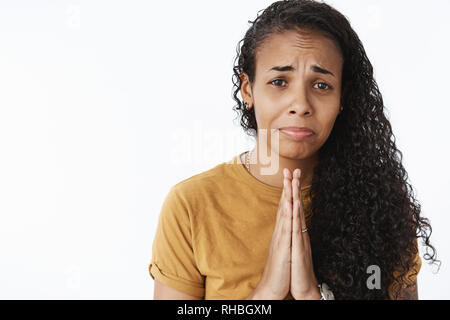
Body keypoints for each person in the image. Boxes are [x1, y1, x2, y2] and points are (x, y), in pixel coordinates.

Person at [149, 0, 440, 300]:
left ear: (343, 95)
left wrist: (310, 295)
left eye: (321, 85)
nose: (300, 104)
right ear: (247, 89)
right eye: (279, 81)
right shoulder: (190, 206)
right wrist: (268, 292)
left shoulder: (382, 206)